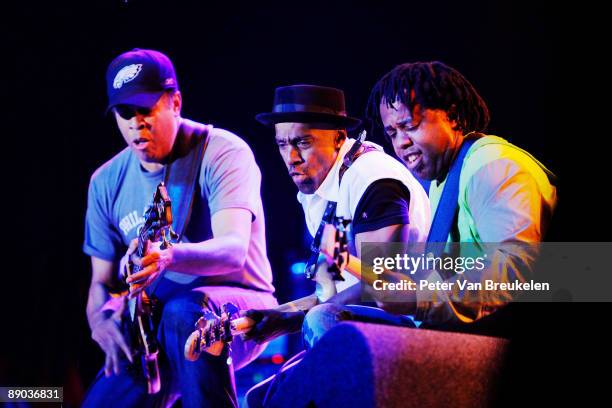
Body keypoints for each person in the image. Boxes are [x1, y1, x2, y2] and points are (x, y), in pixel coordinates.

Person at [82, 48, 277, 407]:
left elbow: (233, 250)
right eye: (125, 114)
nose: (136, 123)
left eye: (146, 109)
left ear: (175, 102)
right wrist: (99, 321)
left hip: (238, 309)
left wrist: (168, 257)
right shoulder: (105, 181)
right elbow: (101, 282)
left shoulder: (222, 152)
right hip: (151, 329)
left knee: (185, 313)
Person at [366, 61, 558, 326]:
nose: (401, 142)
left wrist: (420, 299)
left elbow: (514, 268)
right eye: (392, 133)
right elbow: (443, 277)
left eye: (410, 125)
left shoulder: (493, 165)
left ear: (453, 117)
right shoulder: (441, 183)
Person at [245, 84, 431, 348]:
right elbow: (335, 293)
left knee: (321, 321)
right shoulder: (322, 189)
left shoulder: (372, 179)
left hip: (413, 328)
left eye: (302, 142)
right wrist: (281, 315)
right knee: (262, 392)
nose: (291, 158)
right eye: (282, 144)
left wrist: (296, 318)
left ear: (339, 138)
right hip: (365, 325)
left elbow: (382, 287)